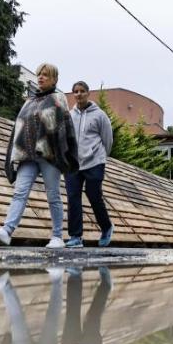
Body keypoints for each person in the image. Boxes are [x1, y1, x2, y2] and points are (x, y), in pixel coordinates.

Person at [0, 63, 78, 249]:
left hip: (49, 154)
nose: (41, 78)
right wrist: (16, 151)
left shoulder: (58, 99)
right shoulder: (29, 102)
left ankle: (57, 236)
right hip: (28, 154)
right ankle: (7, 231)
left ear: (54, 79)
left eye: (45, 75)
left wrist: (64, 153)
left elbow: (63, 127)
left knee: (53, 195)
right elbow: (19, 127)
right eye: (39, 75)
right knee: (20, 192)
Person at [64, 81, 114, 248]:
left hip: (94, 162)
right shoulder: (69, 115)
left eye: (82, 91)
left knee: (93, 195)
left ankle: (106, 227)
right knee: (73, 198)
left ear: (88, 93)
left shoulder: (99, 115)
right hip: (74, 163)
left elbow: (108, 139)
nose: (79, 94)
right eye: (76, 91)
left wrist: (100, 157)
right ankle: (76, 236)